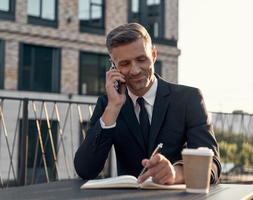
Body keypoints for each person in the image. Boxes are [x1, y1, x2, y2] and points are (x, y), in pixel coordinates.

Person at [74, 23, 221, 185]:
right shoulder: (108, 104)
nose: (135, 70)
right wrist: (113, 108)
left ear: (153, 54)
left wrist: (176, 173)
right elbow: (85, 169)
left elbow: (212, 164)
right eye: (125, 64)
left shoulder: (189, 99)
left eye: (141, 59)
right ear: (113, 66)